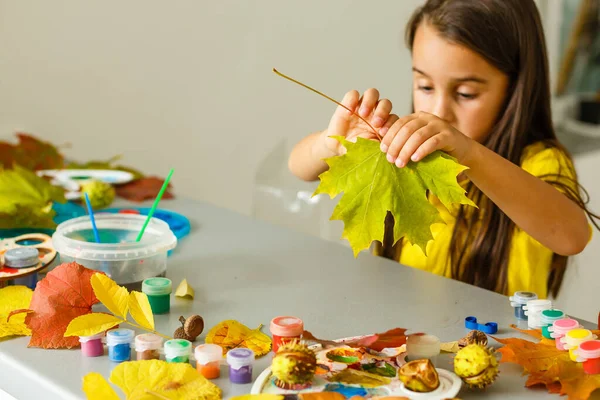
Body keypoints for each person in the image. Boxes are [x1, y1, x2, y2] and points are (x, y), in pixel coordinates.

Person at [287, 0, 599, 298]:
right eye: (424, 86)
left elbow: (571, 237)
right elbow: (299, 166)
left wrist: (471, 154)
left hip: (493, 350)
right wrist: (332, 142)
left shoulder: (539, 161)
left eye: (465, 93)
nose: (439, 111)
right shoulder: (400, 152)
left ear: (516, 88)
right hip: (403, 345)